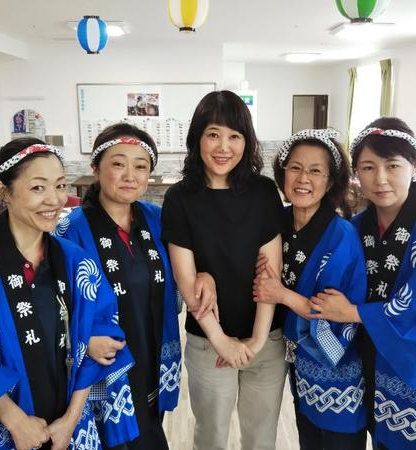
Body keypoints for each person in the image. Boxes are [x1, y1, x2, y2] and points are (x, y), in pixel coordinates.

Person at [0, 138, 139, 450]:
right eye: (38, 187)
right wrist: (16, 422)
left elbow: (103, 333)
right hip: (0, 430)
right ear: (3, 190)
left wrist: (71, 420)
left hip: (68, 428)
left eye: (60, 186)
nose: (54, 200)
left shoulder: (75, 259)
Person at [310, 117, 416, 450]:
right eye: (368, 167)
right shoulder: (356, 227)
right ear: (356, 173)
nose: (380, 179)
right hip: (373, 361)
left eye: (392, 165)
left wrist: (354, 313)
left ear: (414, 166)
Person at [161, 90, 286, 450]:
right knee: (211, 437)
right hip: (207, 342)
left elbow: (270, 274)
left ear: (247, 142)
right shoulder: (179, 198)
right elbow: (186, 278)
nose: (223, 147)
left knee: (261, 440)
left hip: (266, 341)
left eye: (234, 136)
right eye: (213, 134)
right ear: (197, 137)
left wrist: (256, 341)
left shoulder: (263, 192)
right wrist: (221, 342)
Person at [55, 123, 187, 449]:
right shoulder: (68, 232)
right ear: (95, 168)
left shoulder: (158, 220)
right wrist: (83, 339)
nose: (130, 176)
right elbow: (52, 306)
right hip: (103, 365)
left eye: (140, 166)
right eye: (118, 164)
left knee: (150, 427)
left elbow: (187, 270)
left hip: (153, 354)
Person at [252, 129, 367, 450]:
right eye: (295, 168)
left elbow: (334, 310)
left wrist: (281, 294)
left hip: (337, 371)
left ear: (330, 183)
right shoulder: (278, 222)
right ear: (282, 174)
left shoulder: (341, 236)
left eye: (316, 171)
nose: (303, 178)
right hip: (299, 364)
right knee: (309, 438)